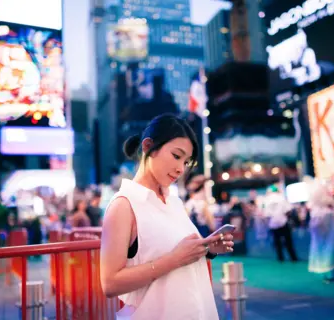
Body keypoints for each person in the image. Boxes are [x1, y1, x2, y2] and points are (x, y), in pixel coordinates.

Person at [100, 114, 234, 319]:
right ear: (148, 147)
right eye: (176, 156)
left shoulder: (174, 202)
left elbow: (178, 251)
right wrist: (174, 259)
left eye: (186, 161)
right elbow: (110, 283)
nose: (181, 168)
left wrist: (208, 249)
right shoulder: (124, 205)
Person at [307, 182, 334, 283]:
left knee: (329, 256)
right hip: (330, 238)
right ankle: (330, 276)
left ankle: (330, 275)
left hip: (327, 239)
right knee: (330, 256)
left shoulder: (317, 211)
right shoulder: (324, 210)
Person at [263, 185, 299, 262]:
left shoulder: (266, 200)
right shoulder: (281, 197)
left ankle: (280, 258)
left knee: (277, 242)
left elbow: (266, 215)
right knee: (288, 241)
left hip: (273, 224)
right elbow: (288, 210)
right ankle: (293, 258)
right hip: (283, 222)